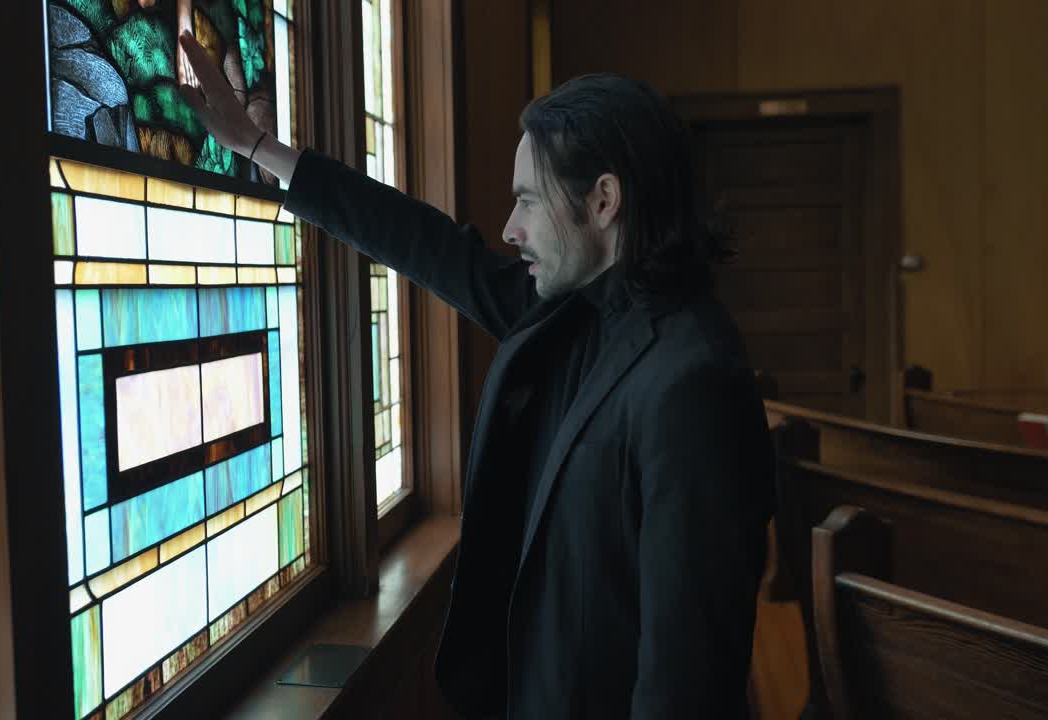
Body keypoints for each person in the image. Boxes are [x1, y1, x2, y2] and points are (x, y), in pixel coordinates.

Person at [178, 30, 775, 720]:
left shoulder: (695, 383)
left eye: (528, 199)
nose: (511, 228)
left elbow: (686, 686)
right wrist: (260, 150)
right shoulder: (566, 311)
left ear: (603, 201)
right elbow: (427, 244)